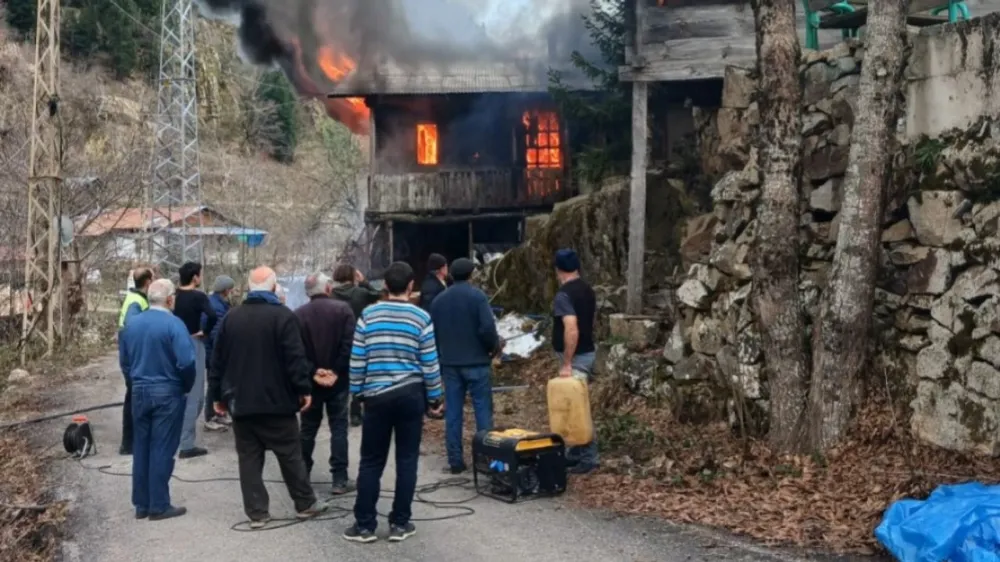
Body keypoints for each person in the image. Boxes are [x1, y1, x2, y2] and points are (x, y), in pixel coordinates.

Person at [210, 266, 328, 529]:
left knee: (249, 458)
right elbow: (295, 359)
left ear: (249, 288)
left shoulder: (231, 318)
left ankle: (257, 513)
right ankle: (305, 503)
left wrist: (216, 395)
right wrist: (304, 389)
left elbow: (217, 361)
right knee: (290, 454)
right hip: (278, 403)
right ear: (274, 288)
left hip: (241, 402)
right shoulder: (283, 317)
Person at [344, 261, 443, 544]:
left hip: (376, 397)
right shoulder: (421, 318)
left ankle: (364, 525)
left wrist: (357, 392)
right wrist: (435, 397)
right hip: (411, 395)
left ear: (385, 286)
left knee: (371, 461)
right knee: (407, 459)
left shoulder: (368, 316)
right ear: (411, 286)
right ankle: (400, 523)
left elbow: (358, 358)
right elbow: (430, 363)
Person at [119, 279, 196, 521]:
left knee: (141, 447)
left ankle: (141, 504)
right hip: (167, 391)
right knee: (162, 447)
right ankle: (159, 504)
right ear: (170, 299)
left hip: (139, 390)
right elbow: (187, 361)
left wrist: (133, 383)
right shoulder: (174, 324)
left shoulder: (132, 324)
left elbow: (125, 362)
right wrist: (186, 386)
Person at [430, 258, 500, 474]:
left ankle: (455, 461)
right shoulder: (477, 297)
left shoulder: (438, 301)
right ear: (471, 274)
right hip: (477, 361)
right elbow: (487, 327)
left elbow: (434, 333)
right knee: (483, 412)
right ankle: (486, 459)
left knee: (453, 413)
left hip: (450, 363)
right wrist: (492, 347)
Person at [295, 272, 356, 494]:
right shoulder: (343, 310)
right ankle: (339, 479)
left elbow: (297, 351)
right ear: (328, 288)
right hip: (338, 381)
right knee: (338, 427)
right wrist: (336, 371)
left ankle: (302, 477)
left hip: (311, 383)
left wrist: (314, 371)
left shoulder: (298, 315)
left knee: (308, 429)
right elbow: (349, 345)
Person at [552, 249, 599, 475]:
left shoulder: (564, 295)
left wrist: (567, 363)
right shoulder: (587, 289)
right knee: (574, 405)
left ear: (558, 270)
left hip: (576, 357)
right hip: (587, 350)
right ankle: (577, 451)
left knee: (578, 407)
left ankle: (589, 457)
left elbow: (571, 328)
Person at [172, 261, 217, 459]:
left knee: (177, 391)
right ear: (195, 277)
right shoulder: (198, 296)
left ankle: (174, 436)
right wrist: (204, 332)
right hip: (192, 341)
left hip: (173, 342)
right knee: (195, 395)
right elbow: (213, 316)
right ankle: (186, 444)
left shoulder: (173, 296)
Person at [331, 263, 381, 427]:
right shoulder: (360, 293)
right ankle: (355, 412)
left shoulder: (331, 295)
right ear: (353, 276)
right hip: (358, 339)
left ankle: (338, 409)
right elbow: (377, 294)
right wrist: (364, 281)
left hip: (337, 341)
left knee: (341, 374)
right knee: (359, 375)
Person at [117, 265, 154, 455]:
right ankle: (129, 443)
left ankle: (131, 442)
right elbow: (134, 329)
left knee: (133, 397)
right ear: (147, 282)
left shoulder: (135, 298)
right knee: (134, 398)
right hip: (132, 357)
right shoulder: (136, 302)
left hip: (129, 355)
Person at [203, 275, 235, 431]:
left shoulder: (218, 303)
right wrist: (222, 353)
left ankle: (219, 412)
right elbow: (217, 333)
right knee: (214, 384)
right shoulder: (217, 306)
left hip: (213, 351)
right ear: (226, 290)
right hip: (214, 353)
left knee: (219, 383)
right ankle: (210, 416)